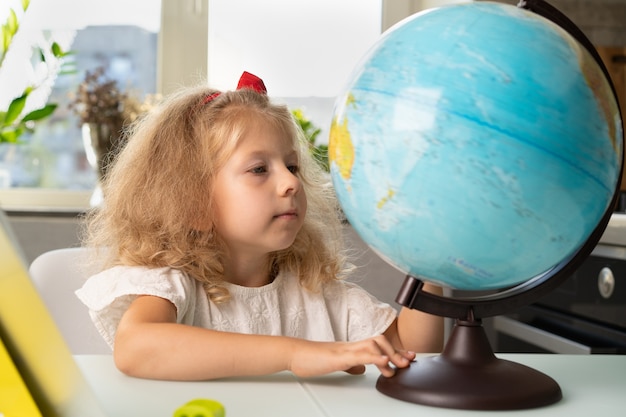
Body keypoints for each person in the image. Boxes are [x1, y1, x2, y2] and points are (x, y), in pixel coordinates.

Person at [76, 71, 444, 381]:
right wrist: (294, 355)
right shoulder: (171, 285)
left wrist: (430, 266)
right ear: (192, 202)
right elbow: (137, 348)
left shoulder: (317, 292)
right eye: (259, 170)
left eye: (293, 166)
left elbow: (414, 355)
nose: (291, 183)